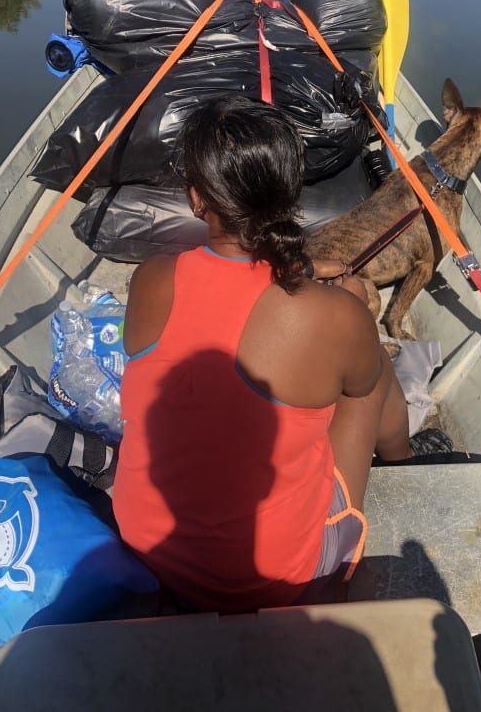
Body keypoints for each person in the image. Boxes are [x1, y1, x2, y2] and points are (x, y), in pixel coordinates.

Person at [112, 94, 447, 614]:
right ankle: (402, 458)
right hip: (275, 579)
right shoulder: (333, 314)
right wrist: (351, 310)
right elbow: (316, 344)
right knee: (372, 373)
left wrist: (308, 279)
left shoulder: (151, 278)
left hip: (149, 550)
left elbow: (230, 293)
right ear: (292, 193)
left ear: (199, 199)